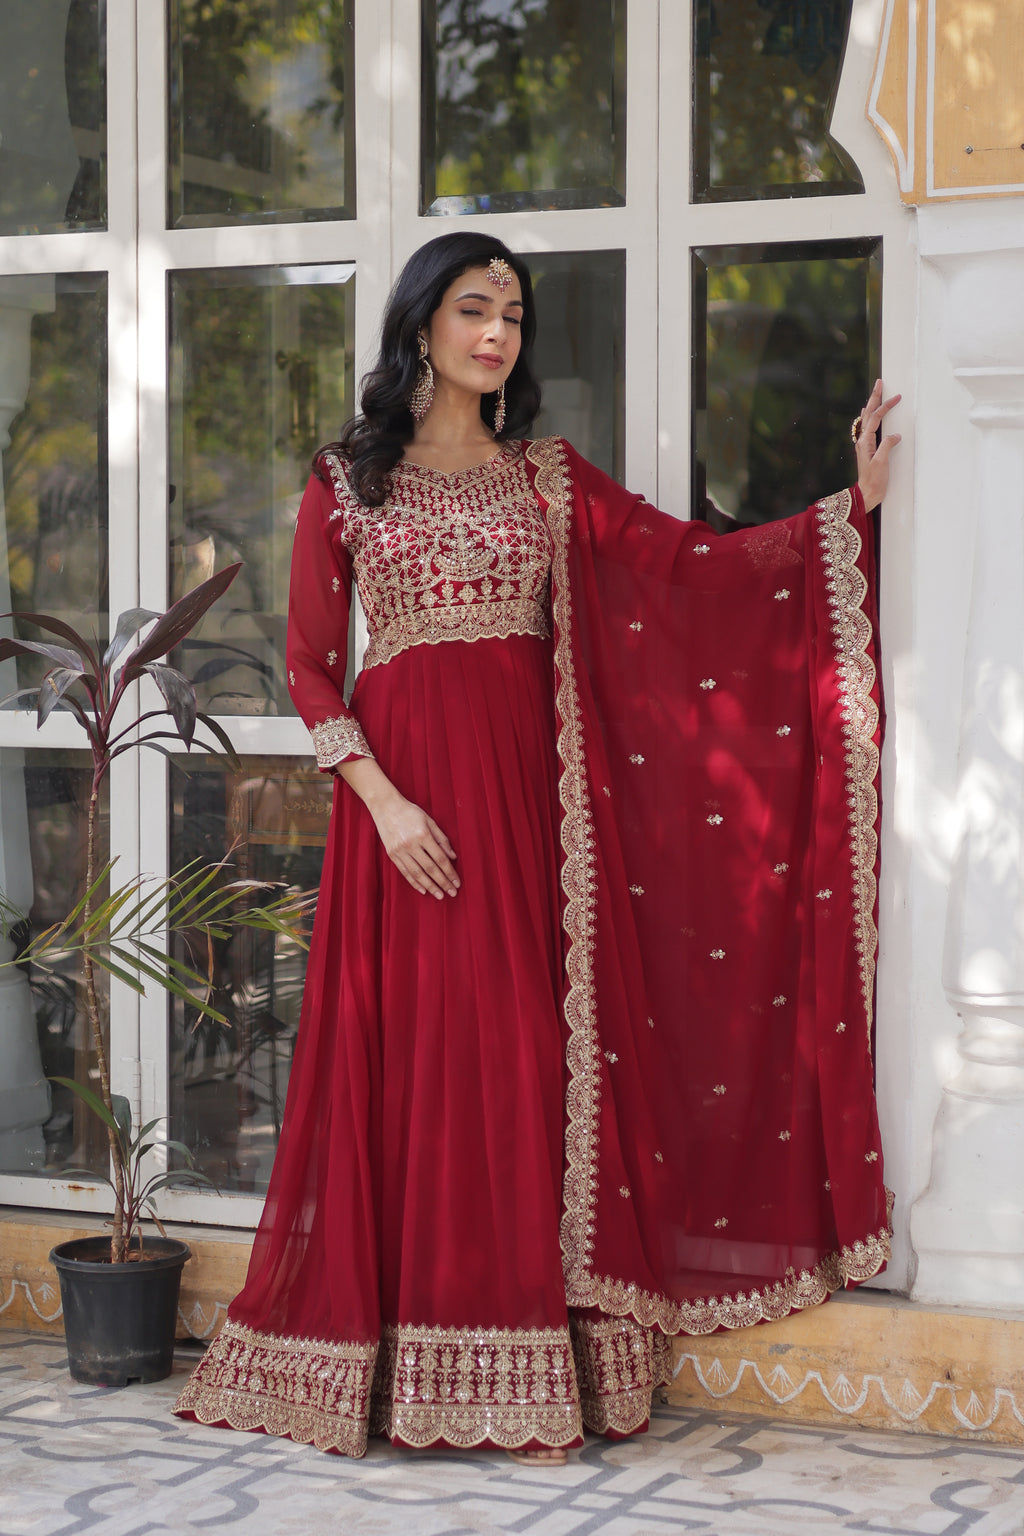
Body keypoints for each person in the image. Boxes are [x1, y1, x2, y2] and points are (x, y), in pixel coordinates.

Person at [174, 231, 901, 1463]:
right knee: (409, 1062)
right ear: (421, 327)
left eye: (513, 312)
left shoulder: (546, 480)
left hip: (529, 810)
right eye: (473, 307)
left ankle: (530, 1353)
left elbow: (690, 571)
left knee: (525, 1056)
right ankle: (401, 1361)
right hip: (403, 817)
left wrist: (846, 515)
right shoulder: (346, 483)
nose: (498, 331)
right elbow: (306, 663)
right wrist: (385, 802)